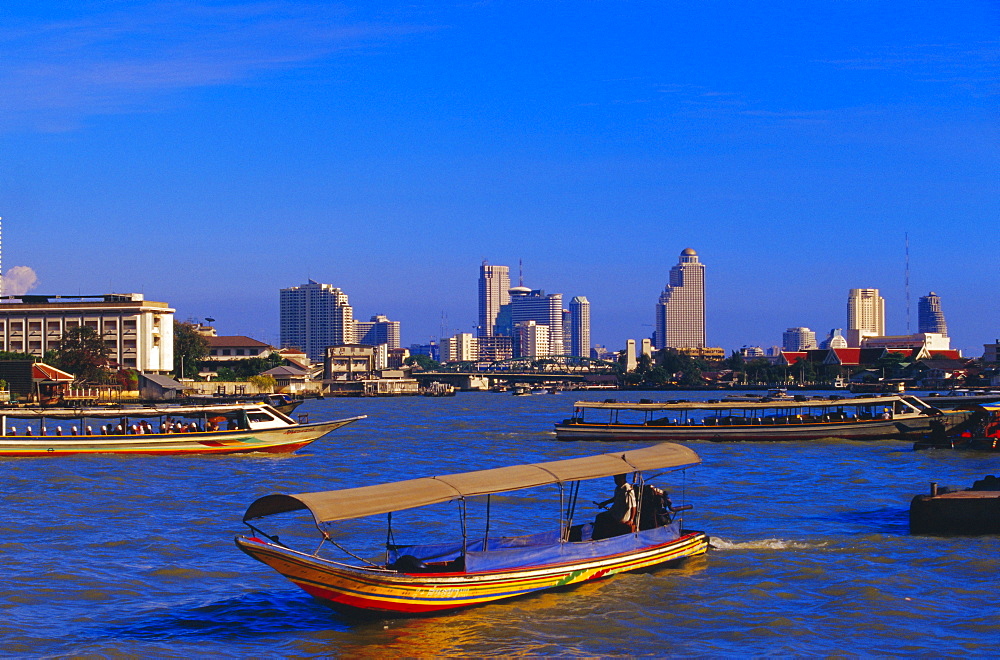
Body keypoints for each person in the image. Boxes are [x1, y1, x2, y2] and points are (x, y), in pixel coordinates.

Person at [592, 474, 637, 540]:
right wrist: (605, 503)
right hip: (615, 512)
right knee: (600, 517)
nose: (615, 481)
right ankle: (597, 537)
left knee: (601, 518)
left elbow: (633, 506)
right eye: (615, 479)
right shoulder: (618, 488)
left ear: (622, 479)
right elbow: (615, 498)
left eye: (617, 479)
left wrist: (631, 520)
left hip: (621, 516)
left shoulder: (627, 489)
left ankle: (598, 538)